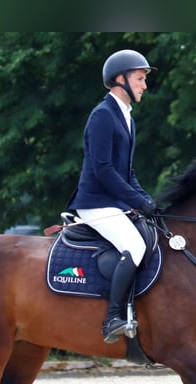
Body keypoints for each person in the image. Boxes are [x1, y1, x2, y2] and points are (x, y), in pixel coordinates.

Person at [67, 49, 158, 344]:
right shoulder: (103, 115)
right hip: (95, 203)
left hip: (115, 203)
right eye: (140, 79)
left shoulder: (128, 119)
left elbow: (127, 172)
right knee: (133, 245)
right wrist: (136, 201)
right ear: (121, 79)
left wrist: (148, 200)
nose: (145, 85)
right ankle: (113, 318)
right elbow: (103, 169)